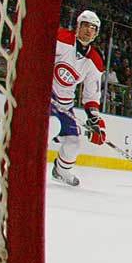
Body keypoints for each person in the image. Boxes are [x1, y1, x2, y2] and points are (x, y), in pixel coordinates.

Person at [49, 10, 106, 187]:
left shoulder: (95, 60)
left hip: (65, 105)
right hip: (47, 96)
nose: (89, 31)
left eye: (94, 28)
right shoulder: (62, 38)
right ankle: (26, 160)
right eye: (86, 26)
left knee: (74, 142)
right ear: (78, 26)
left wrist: (95, 119)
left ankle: (61, 171)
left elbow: (91, 95)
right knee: (51, 126)